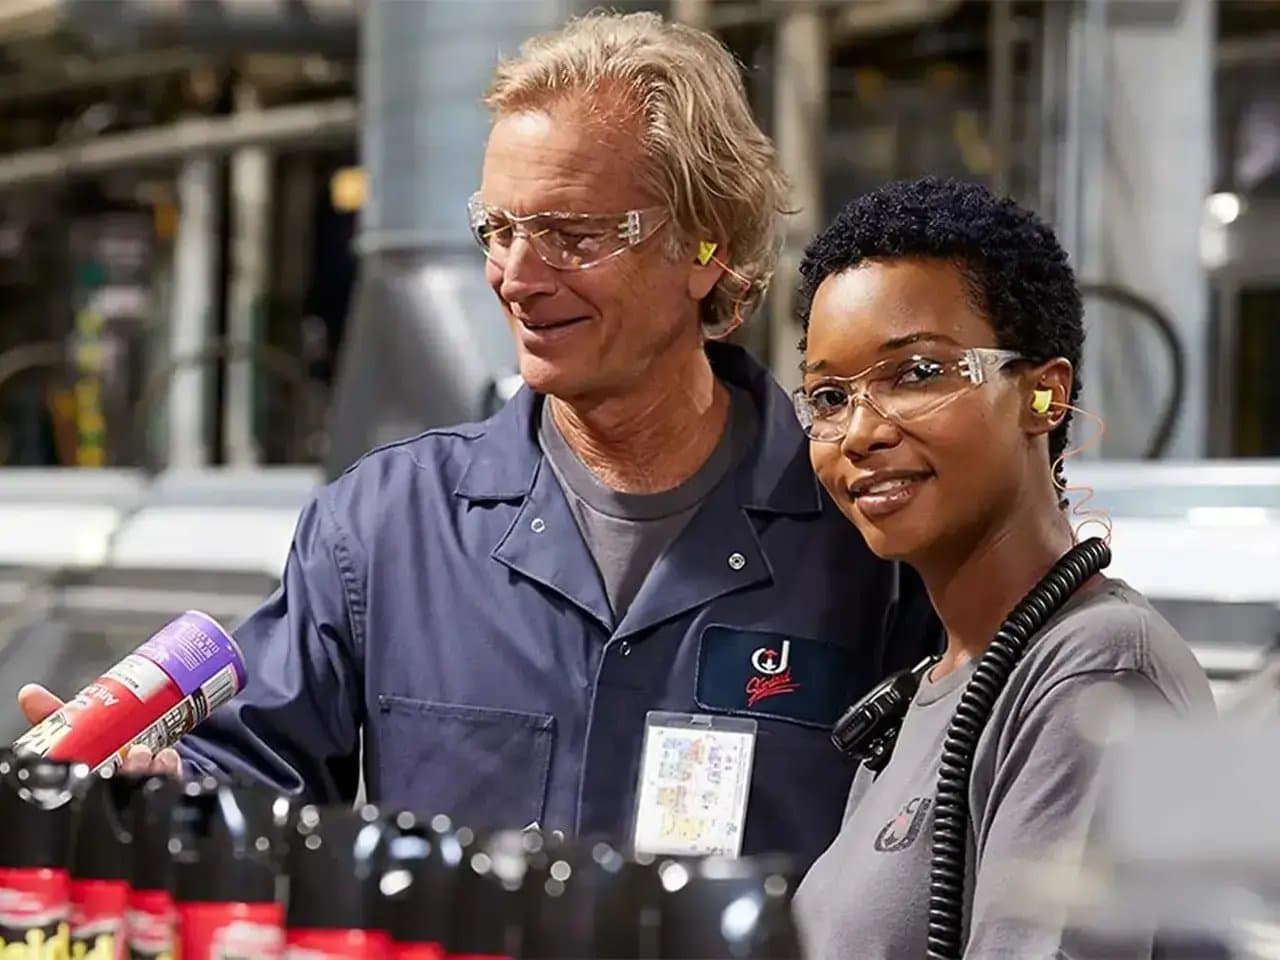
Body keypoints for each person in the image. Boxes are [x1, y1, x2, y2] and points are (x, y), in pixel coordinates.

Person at [19, 13, 937, 868]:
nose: (518, 276)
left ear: (705, 245)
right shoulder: (388, 528)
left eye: (572, 235)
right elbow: (252, 780)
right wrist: (157, 792)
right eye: (498, 229)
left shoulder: (865, 531)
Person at [789, 177, 1215, 956]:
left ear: (1045, 397)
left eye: (915, 373)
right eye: (827, 396)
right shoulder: (939, 685)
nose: (858, 433)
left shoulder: (1096, 671)